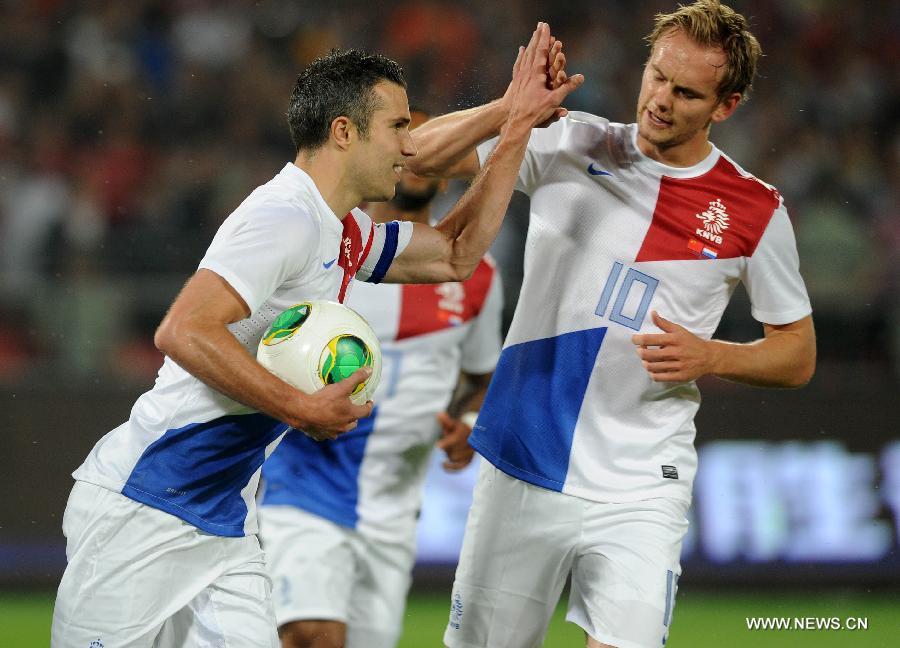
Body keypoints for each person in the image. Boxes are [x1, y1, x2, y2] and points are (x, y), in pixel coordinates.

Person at [50, 26, 583, 648]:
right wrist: (301, 407)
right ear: (343, 132)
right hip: (143, 506)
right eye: (398, 127)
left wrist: (514, 124)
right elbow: (184, 330)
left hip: (223, 518)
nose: (411, 148)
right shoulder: (283, 218)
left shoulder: (342, 231)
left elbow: (457, 253)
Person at [408, 2, 816, 647]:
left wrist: (713, 357)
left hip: (641, 485)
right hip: (522, 461)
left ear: (725, 106)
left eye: (687, 93)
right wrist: (513, 106)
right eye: (658, 77)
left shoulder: (755, 210)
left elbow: (796, 353)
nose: (661, 100)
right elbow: (417, 158)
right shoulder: (571, 140)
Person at [257, 109, 504, 648]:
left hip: (394, 507)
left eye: (429, 145)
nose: (415, 152)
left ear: (448, 168)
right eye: (402, 139)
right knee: (312, 634)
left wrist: (469, 419)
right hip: (309, 482)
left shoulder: (477, 276)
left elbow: (481, 379)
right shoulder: (329, 250)